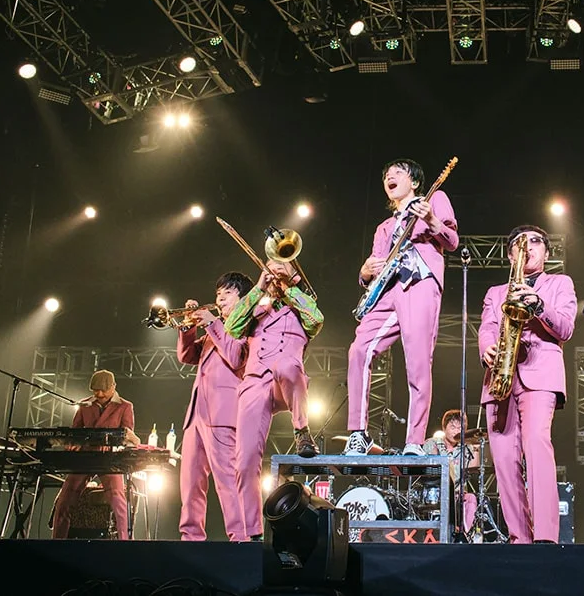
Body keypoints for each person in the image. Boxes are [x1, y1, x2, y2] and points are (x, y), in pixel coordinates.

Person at [345, 159, 459, 456]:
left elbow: (452, 241)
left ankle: (414, 440)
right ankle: (358, 433)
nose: (390, 177)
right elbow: (373, 271)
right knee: (359, 350)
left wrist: (431, 220)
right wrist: (364, 272)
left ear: (415, 182)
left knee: (418, 361)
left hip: (419, 282)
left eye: (398, 172)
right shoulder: (383, 227)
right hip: (387, 292)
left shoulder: (434, 199)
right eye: (386, 175)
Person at [479, 225, 576, 544]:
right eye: (520, 243)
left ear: (546, 252)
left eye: (536, 241)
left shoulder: (560, 283)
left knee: (537, 445)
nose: (528, 247)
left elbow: (565, 329)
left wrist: (539, 304)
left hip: (539, 373)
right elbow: (487, 327)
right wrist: (487, 348)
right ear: (511, 255)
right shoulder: (495, 292)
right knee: (504, 461)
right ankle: (519, 538)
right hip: (499, 375)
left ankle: (546, 537)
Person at [225, 258, 324, 541]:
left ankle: (302, 431)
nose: (275, 270)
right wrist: (259, 286)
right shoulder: (257, 306)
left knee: (287, 365)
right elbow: (232, 328)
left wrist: (288, 288)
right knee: (244, 461)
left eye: (283, 267)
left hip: (286, 381)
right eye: (270, 266)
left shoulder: (302, 303)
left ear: (295, 275)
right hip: (255, 381)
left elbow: (316, 320)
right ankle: (252, 533)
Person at [176, 271, 252, 542]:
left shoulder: (246, 325)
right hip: (196, 414)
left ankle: (241, 537)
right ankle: (190, 538)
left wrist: (211, 324)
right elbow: (187, 356)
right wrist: (188, 326)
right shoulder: (214, 329)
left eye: (228, 293)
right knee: (190, 482)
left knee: (228, 481)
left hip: (222, 413)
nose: (220, 298)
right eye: (218, 293)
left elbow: (235, 357)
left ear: (243, 298)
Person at [52, 370, 139, 539]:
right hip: (85, 457)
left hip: (109, 459)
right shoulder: (85, 405)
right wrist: (73, 443)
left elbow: (127, 434)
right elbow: (75, 432)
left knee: (118, 502)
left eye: (103, 390)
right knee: (64, 501)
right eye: (95, 390)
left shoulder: (124, 406)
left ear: (113, 387)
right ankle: (56, 542)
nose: (99, 394)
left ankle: (125, 544)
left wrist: (118, 444)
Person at [423, 409, 481, 533]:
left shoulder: (467, 447)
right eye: (453, 427)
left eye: (460, 428)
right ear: (444, 428)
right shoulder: (432, 443)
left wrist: (476, 448)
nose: (456, 431)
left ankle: (464, 533)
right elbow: (429, 468)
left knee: (471, 498)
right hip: (437, 492)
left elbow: (474, 470)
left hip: (459, 494)